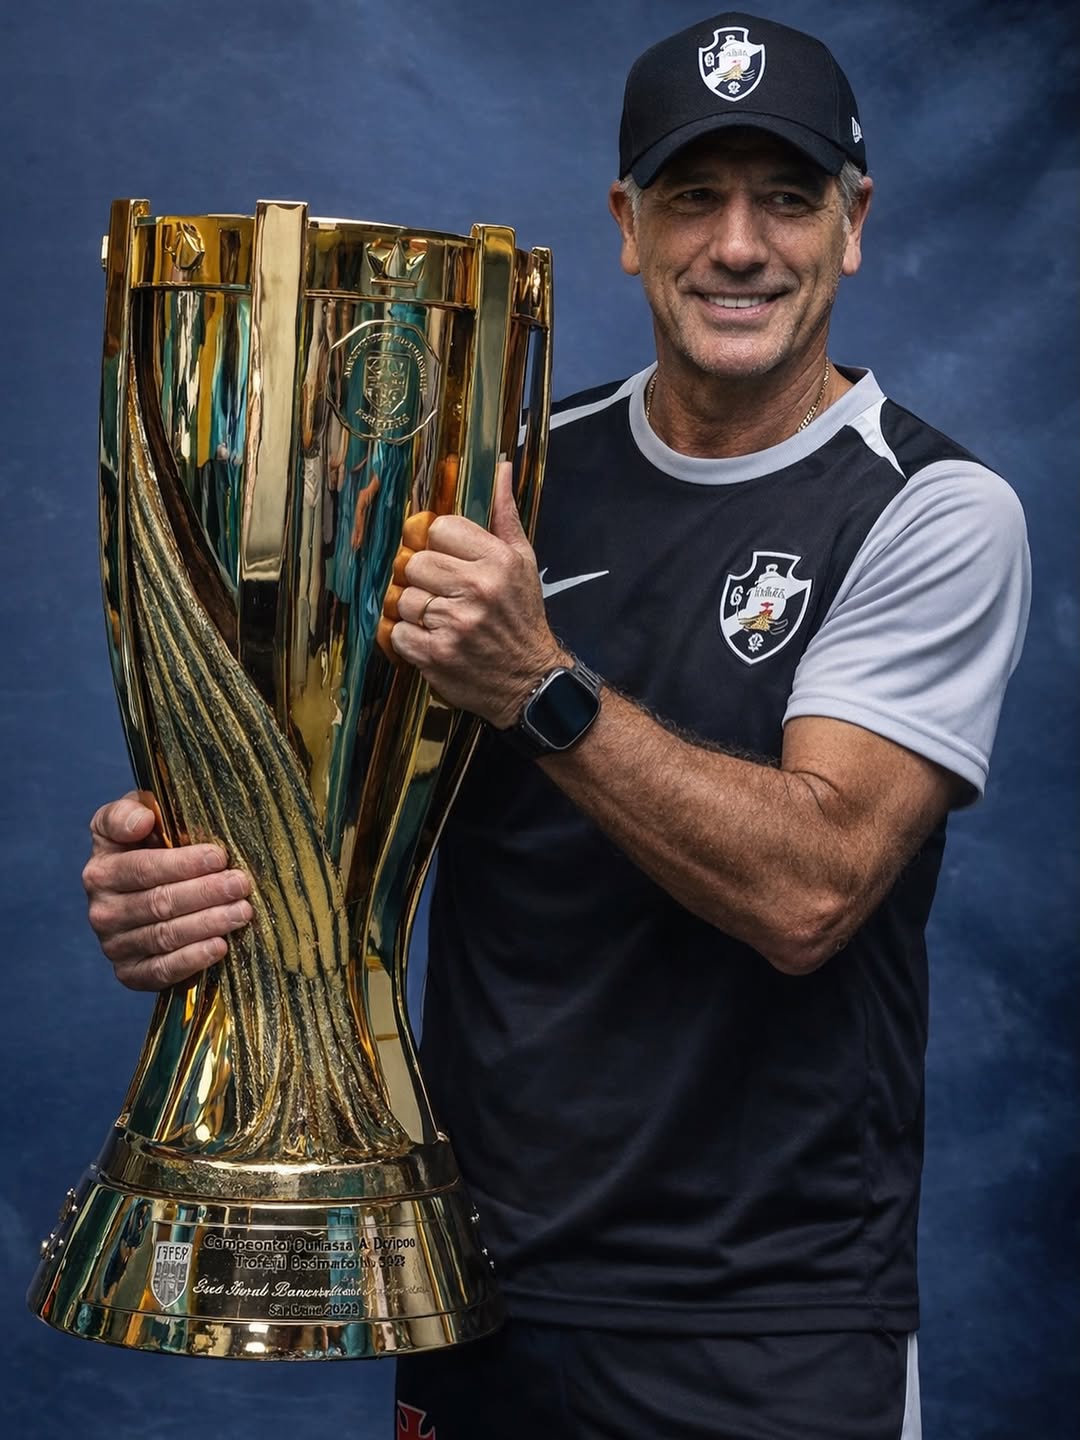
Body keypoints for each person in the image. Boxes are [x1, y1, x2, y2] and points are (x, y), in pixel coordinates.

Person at [83, 12, 1030, 1439]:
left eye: (785, 199)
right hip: (478, 1288)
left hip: (765, 1321)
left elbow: (813, 890)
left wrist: (540, 682)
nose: (738, 247)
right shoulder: (499, 479)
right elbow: (343, 808)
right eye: (692, 198)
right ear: (628, 227)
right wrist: (186, 883)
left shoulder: (930, 510)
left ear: (854, 225)